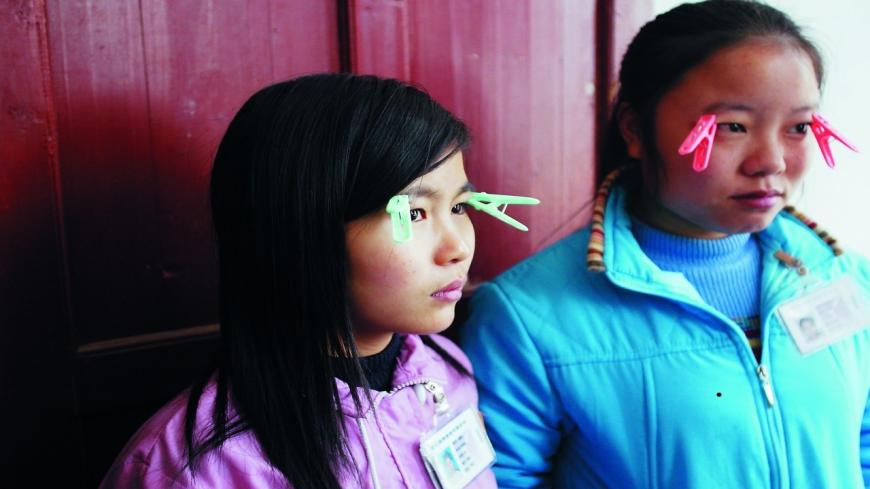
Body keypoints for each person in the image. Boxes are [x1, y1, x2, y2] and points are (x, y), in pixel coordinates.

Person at [461, 1, 870, 487]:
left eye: (799, 127)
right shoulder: (527, 317)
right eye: (732, 126)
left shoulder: (846, 278)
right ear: (635, 129)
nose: (772, 161)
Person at [100, 73, 499, 488]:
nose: (458, 248)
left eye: (459, 207)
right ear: (300, 229)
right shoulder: (195, 468)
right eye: (414, 213)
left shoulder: (442, 373)